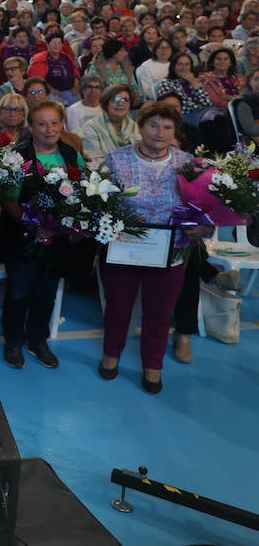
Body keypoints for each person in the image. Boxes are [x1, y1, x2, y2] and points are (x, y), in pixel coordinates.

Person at [101, 103, 209, 394]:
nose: (159, 133)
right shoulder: (116, 159)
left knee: (159, 313)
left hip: (171, 252)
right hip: (124, 249)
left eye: (167, 127)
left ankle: (153, 364)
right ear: (140, 126)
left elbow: (206, 209)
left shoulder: (189, 164)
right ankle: (111, 355)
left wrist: (204, 227)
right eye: (153, 125)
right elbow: (100, 203)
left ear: (175, 132)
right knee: (118, 308)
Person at [0, 100, 86, 370]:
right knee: (19, 291)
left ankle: (38, 341)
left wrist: (70, 225)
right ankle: (13, 341)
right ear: (31, 127)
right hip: (21, 238)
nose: (49, 129)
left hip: (56, 241)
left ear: (62, 124)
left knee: (46, 292)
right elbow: (9, 200)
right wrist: (32, 224)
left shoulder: (72, 155)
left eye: (54, 123)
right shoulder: (19, 155)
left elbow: (82, 193)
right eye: (42, 123)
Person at [79, 84, 139, 167]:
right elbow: (94, 161)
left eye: (125, 100)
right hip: (105, 175)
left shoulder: (135, 126)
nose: (120, 103)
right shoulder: (91, 128)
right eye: (115, 99)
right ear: (106, 103)